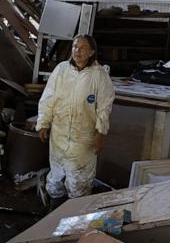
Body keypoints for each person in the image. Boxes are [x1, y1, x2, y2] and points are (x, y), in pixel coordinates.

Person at [36, 34, 114, 205]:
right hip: (59, 135)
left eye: (82, 48)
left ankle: (73, 218)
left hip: (83, 139)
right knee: (56, 177)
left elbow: (104, 107)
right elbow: (48, 98)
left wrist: (101, 133)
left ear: (91, 52)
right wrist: (43, 123)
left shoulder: (99, 75)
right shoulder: (61, 70)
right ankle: (53, 215)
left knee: (79, 181)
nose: (77, 51)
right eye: (75, 47)